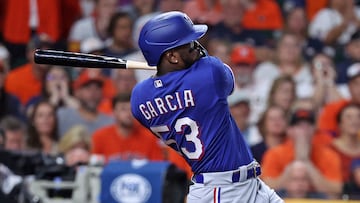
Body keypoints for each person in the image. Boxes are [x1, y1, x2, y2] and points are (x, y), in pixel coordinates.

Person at [131, 11, 283, 202]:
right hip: (222, 191)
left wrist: (170, 74)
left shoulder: (139, 98)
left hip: (245, 184)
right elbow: (227, 80)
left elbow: (163, 89)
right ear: (172, 57)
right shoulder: (208, 73)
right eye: (189, 44)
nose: (197, 46)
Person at [261, 108, 343, 198]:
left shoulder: (329, 155)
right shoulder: (274, 153)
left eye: (308, 125)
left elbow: (336, 190)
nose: (304, 130)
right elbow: (266, 188)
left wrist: (307, 162)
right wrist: (294, 165)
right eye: (299, 126)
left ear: (314, 130)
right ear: (290, 130)